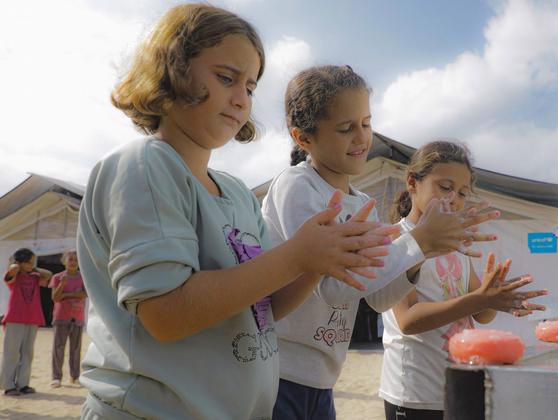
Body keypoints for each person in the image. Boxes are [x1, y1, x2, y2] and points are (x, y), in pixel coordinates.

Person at [76, 5, 394, 418]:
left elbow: (267, 305)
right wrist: (297, 254)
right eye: (226, 78)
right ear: (171, 69)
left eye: (251, 86)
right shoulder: (145, 164)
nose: (241, 98)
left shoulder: (236, 193)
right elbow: (165, 314)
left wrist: (318, 260)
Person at [262, 65, 499, 419]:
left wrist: (425, 250)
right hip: (280, 368)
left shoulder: (361, 203)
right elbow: (333, 288)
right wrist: (417, 242)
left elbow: (377, 298)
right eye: (346, 128)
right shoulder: (297, 186)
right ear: (304, 138)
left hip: (323, 374)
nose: (361, 138)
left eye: (366, 123)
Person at [379, 141, 548, 419]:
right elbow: (408, 320)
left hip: (458, 382)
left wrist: (492, 296)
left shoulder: (455, 243)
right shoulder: (396, 239)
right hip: (415, 393)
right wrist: (476, 299)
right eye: (445, 187)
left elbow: (481, 316)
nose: (454, 199)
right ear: (412, 182)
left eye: (462, 192)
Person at [1, 248, 52, 396]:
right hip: (15, 318)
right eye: (29, 262)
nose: (32, 265)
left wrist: (32, 268)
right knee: (12, 353)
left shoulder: (35, 276)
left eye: (33, 262)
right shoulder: (13, 276)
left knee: (27, 353)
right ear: (20, 262)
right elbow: (12, 270)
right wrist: (16, 264)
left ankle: (23, 384)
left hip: (32, 318)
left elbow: (49, 275)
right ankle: (8, 385)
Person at [49, 251, 87, 388]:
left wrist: (68, 294)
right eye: (70, 259)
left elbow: (85, 294)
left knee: (76, 348)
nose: (73, 262)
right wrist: (62, 286)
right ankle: (56, 377)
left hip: (77, 317)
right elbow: (55, 297)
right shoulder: (58, 277)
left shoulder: (83, 277)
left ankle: (75, 376)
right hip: (61, 317)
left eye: (76, 259)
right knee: (58, 348)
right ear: (64, 261)